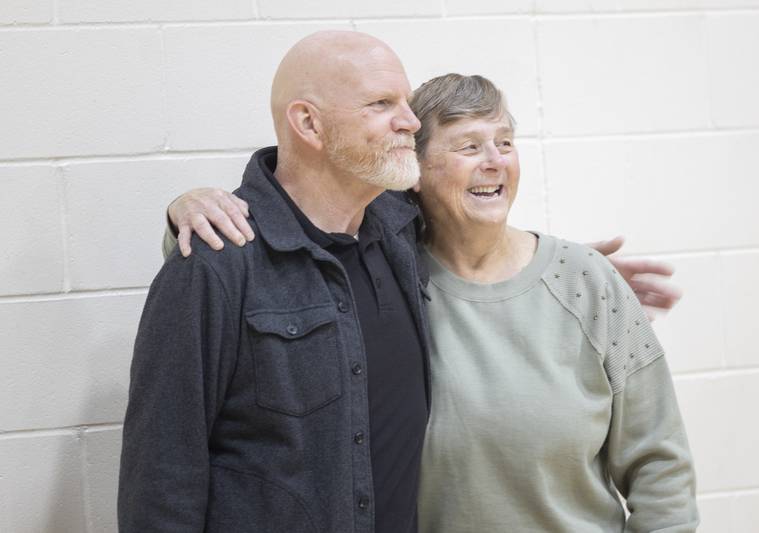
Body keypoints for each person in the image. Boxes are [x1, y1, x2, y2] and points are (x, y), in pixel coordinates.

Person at [165, 74, 697, 531]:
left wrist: (580, 269)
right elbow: (279, 259)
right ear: (414, 172)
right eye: (469, 147)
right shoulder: (384, 276)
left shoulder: (586, 281)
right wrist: (185, 210)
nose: (494, 162)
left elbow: (660, 468)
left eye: (505, 143)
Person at [119, 31, 431, 533]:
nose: (410, 122)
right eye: (381, 104)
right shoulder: (215, 262)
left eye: (407, 103)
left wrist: (560, 264)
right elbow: (161, 476)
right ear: (309, 123)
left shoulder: (401, 231)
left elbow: (481, 231)